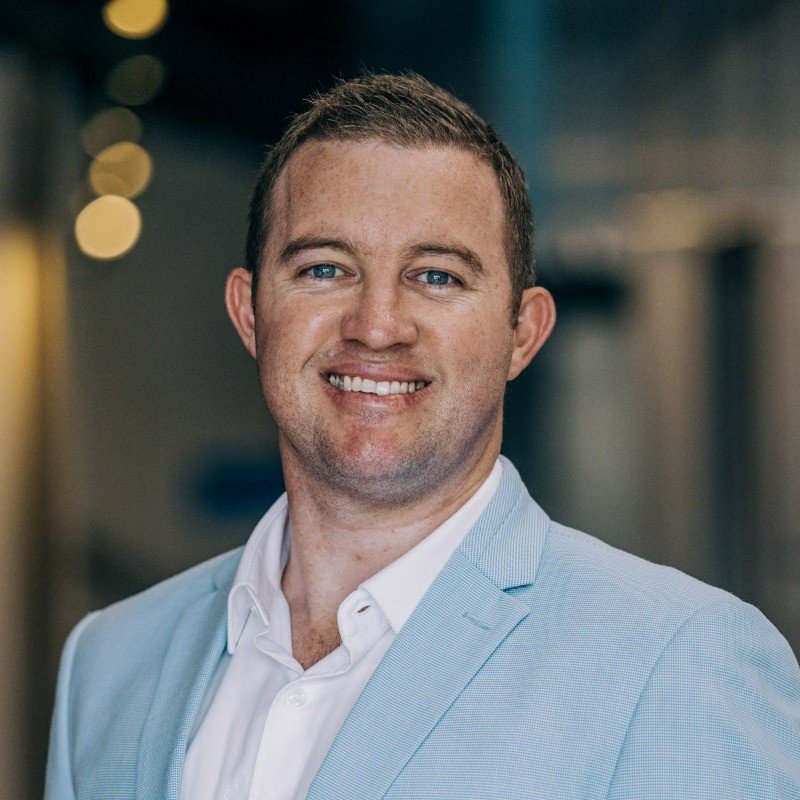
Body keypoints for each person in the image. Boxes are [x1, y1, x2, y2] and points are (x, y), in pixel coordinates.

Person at [45, 73, 800, 800]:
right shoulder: (108, 663)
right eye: (325, 269)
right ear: (250, 314)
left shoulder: (679, 661)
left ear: (522, 332)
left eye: (437, 276)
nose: (376, 326)